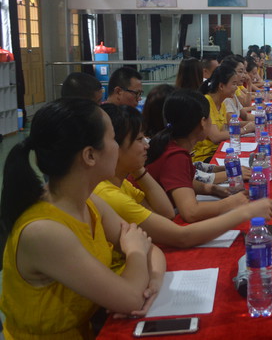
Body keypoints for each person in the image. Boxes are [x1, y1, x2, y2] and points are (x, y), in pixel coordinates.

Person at [0, 99, 165, 339]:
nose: (117, 147)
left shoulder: (89, 202)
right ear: (89, 155)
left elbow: (151, 248)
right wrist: (136, 252)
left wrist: (155, 282)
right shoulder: (44, 231)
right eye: (113, 139)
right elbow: (131, 296)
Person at [96, 103, 272, 248]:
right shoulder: (110, 195)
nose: (146, 145)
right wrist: (244, 211)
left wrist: (138, 169)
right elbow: (184, 230)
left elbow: (166, 213)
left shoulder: (123, 182)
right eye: (138, 139)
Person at [147, 90, 253, 223]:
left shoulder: (170, 144)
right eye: (210, 118)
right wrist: (231, 203)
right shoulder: (175, 156)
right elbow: (191, 212)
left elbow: (183, 180)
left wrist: (213, 189)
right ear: (203, 122)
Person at [192, 64, 240, 163]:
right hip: (204, 157)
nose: (236, 88)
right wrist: (244, 130)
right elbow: (216, 137)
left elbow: (223, 134)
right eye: (234, 84)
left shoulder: (222, 104)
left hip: (218, 150)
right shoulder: (206, 102)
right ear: (221, 86)